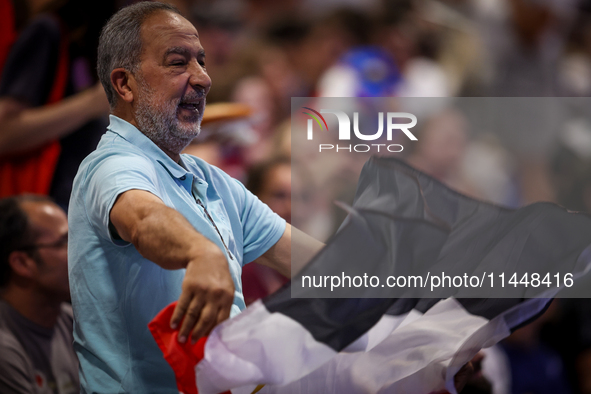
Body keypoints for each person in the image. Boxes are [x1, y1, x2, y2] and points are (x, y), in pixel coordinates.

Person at [68, 2, 321, 392]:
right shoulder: (111, 164)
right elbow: (144, 218)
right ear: (125, 84)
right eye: (177, 62)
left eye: (201, 62)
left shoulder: (213, 181)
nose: (203, 79)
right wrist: (200, 253)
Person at [0, 195, 78, 394]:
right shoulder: (5, 348)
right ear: (22, 263)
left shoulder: (71, 322)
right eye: (64, 242)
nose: (79, 250)